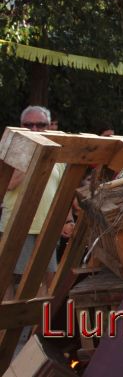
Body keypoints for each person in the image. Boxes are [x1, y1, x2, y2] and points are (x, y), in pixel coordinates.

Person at [2, 106, 67, 296]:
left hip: (46, 228)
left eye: (41, 125)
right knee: (13, 281)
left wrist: (68, 220)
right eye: (28, 125)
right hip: (17, 226)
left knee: (47, 280)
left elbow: (62, 192)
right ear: (20, 126)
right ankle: (9, 325)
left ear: (50, 127)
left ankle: (39, 325)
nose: (34, 130)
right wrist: (30, 155)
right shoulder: (11, 152)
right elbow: (9, 185)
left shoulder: (61, 154)